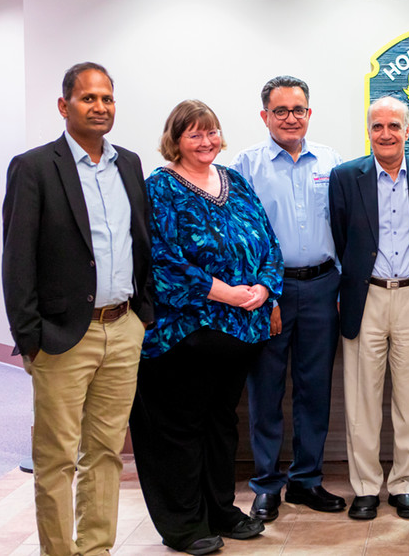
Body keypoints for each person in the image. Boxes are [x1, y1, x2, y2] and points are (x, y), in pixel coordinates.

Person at [1, 62, 153, 556]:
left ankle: (96, 550)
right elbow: (17, 259)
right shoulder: (34, 168)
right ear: (64, 106)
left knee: (106, 454)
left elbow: (141, 243)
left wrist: (142, 317)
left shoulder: (128, 163)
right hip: (63, 337)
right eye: (89, 98)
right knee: (56, 459)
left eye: (107, 98)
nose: (100, 107)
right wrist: (31, 338)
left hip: (123, 327)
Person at [129, 100, 284, 556]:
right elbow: (160, 262)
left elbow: (269, 242)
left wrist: (263, 288)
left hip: (240, 336)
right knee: (179, 431)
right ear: (174, 140)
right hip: (184, 338)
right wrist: (229, 293)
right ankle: (184, 524)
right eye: (194, 134)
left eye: (212, 131)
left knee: (221, 427)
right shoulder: (160, 188)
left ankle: (221, 510)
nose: (206, 141)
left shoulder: (235, 181)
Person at [328, 96, 409, 521]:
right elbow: (340, 237)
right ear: (368, 131)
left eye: (394, 126)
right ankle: (364, 488)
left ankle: (404, 486)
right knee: (361, 399)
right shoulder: (346, 177)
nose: (385, 134)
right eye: (378, 126)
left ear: (408, 130)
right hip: (366, 296)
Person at [231, 75, 346, 521]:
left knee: (315, 389)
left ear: (309, 113)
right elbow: (241, 237)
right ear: (265, 116)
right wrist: (269, 295)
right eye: (280, 111)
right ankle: (265, 484)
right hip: (270, 292)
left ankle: (306, 481)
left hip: (322, 287)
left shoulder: (332, 162)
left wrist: (341, 287)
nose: (290, 118)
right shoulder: (246, 165)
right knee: (266, 389)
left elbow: (342, 226)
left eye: (298, 109)